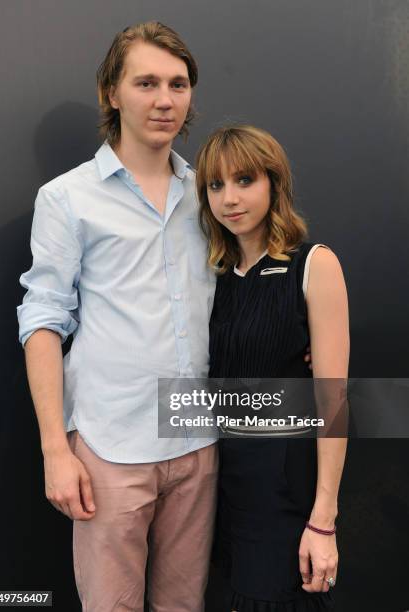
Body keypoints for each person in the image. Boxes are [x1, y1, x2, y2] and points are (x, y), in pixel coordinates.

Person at [17, 22, 219, 612]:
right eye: (147, 82)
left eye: (178, 84)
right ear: (112, 92)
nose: (165, 100)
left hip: (199, 439)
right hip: (110, 445)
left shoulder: (208, 193)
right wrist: (56, 449)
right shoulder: (67, 198)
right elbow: (43, 321)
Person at [195, 125, 349, 611]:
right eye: (215, 186)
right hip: (217, 479)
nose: (229, 198)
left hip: (283, 483)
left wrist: (323, 519)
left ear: (273, 183)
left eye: (244, 180)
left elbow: (334, 400)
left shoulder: (313, 264)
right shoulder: (213, 278)